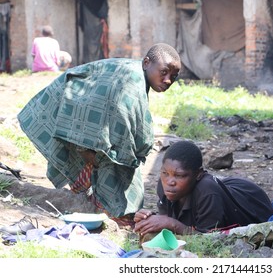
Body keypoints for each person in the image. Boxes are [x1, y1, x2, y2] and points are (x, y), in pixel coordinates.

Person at [18, 43, 181, 229]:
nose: (168, 80)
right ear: (146, 63)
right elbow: (132, 131)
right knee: (116, 165)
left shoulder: (137, 74)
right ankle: (103, 209)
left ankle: (91, 201)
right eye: (164, 72)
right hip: (70, 102)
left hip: (79, 109)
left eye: (174, 77)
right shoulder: (133, 82)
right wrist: (108, 149)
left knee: (109, 160)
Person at [134, 140, 273, 236]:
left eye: (180, 175)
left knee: (212, 188)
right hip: (225, 185)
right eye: (165, 173)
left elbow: (209, 239)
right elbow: (168, 221)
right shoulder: (164, 184)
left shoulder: (207, 192)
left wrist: (171, 223)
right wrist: (150, 218)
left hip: (251, 200)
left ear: (198, 174)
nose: (170, 181)